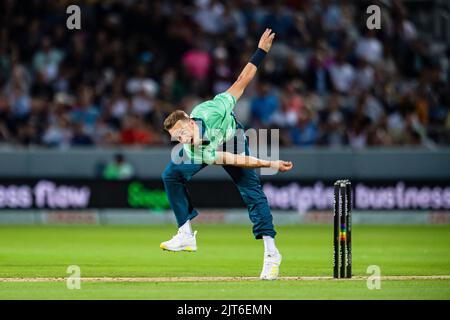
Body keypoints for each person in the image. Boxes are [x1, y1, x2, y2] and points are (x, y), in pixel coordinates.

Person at [161, 29, 293, 280]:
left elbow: (243, 80)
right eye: (175, 137)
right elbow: (226, 160)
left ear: (189, 121)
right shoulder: (192, 148)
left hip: (233, 138)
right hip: (215, 149)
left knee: (252, 191)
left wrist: (261, 51)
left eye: (181, 131)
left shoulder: (213, 109)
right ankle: (186, 234)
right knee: (171, 174)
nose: (179, 138)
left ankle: (272, 253)